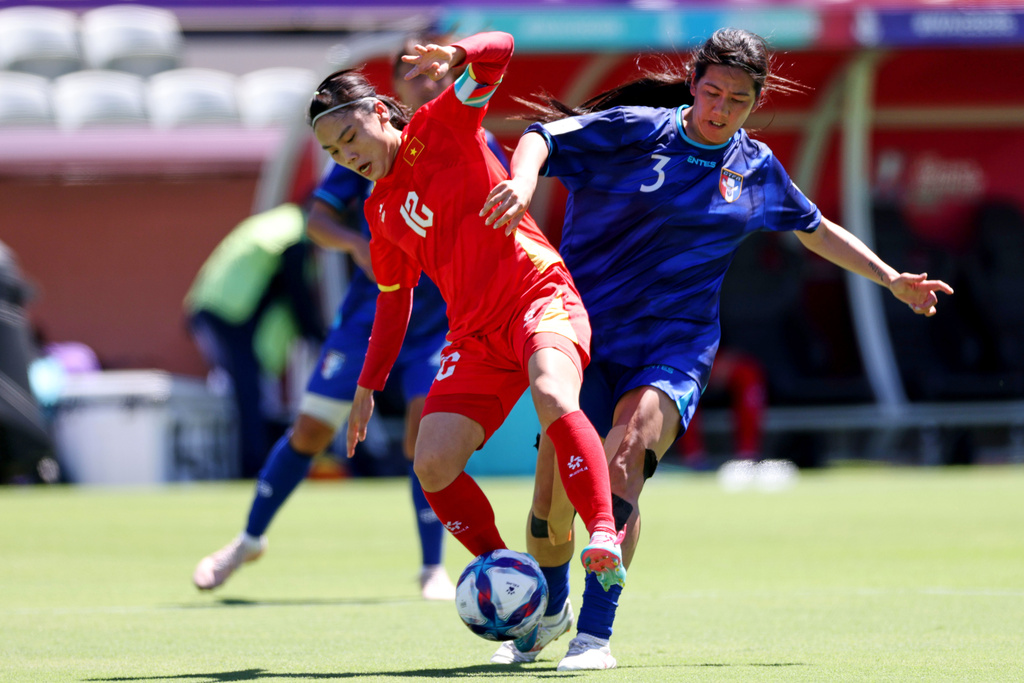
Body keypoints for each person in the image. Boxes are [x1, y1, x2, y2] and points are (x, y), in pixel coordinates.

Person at [481, 27, 955, 670]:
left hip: (675, 343)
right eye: (711, 93)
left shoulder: (754, 166)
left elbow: (814, 228)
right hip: (583, 332)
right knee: (550, 512)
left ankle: (595, 635)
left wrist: (891, 279)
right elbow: (540, 136)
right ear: (693, 84)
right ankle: (552, 607)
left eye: (737, 99)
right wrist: (524, 181)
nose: (720, 109)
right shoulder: (634, 129)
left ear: (755, 103)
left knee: (627, 456)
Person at [308, 30, 627, 613]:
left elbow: (501, 48)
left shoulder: (441, 125)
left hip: (538, 295)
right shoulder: (378, 211)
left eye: (350, 137)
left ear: (381, 112)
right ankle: (518, 587)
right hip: (475, 337)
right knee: (431, 463)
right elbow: (393, 302)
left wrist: (457, 54)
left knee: (554, 393)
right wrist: (368, 384)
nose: (347, 156)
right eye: (334, 153)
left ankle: (605, 533)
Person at [192, 33, 502, 600]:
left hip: (440, 319)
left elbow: (496, 192)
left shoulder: (461, 136)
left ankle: (432, 565)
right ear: (395, 90)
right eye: (414, 76)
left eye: (434, 74)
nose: (428, 83)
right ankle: (249, 539)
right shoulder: (361, 156)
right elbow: (317, 222)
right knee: (311, 429)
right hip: (372, 313)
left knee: (421, 434)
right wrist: (361, 247)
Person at [184, 203, 323, 479]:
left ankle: (257, 466)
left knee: (252, 393)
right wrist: (321, 337)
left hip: (218, 309)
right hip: (226, 312)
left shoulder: (281, 222)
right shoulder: (296, 235)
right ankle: (252, 471)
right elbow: (299, 300)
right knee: (248, 394)